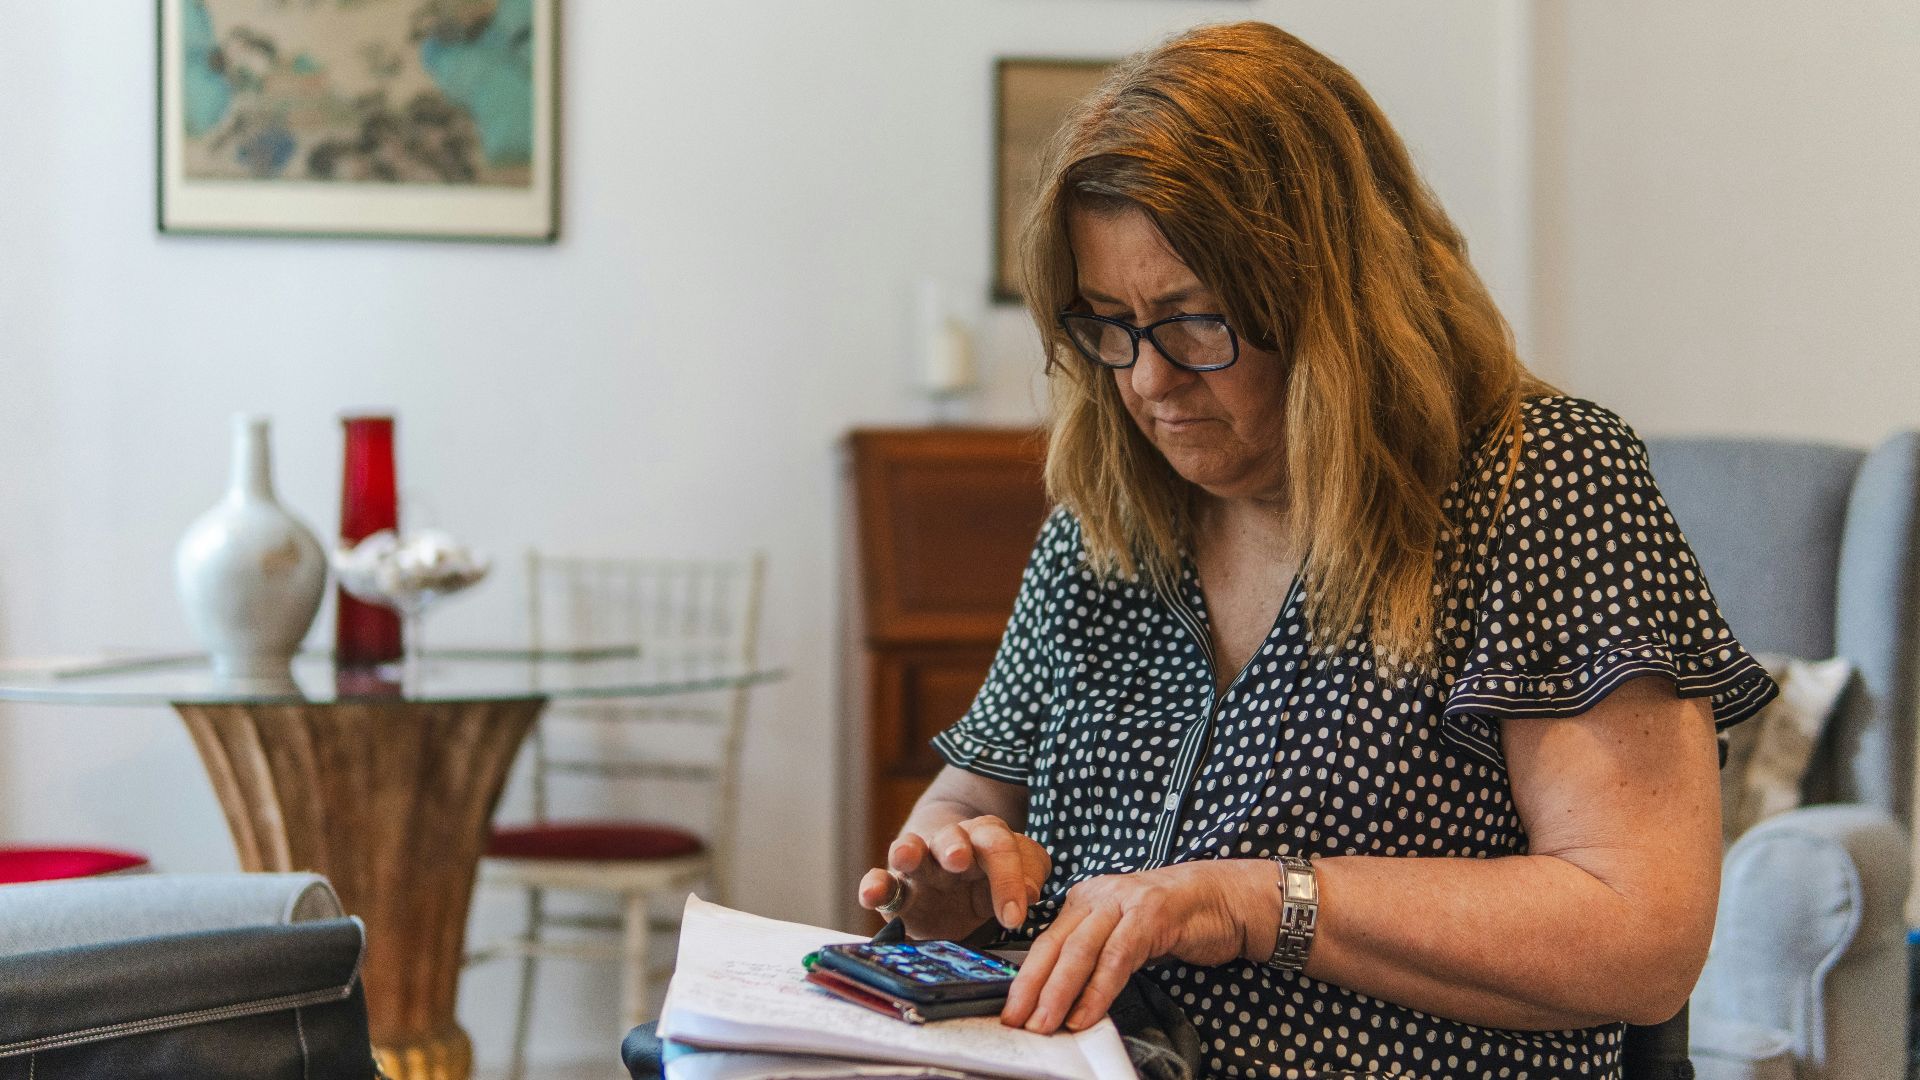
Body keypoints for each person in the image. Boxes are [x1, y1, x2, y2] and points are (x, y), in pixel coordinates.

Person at [855, 21, 1776, 1080]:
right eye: (1108, 322)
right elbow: (976, 800)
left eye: (1195, 320)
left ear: (1338, 302)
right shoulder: (1109, 518)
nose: (1149, 380)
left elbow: (1638, 930)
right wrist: (953, 874)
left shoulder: (1538, 481)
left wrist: (1251, 901)